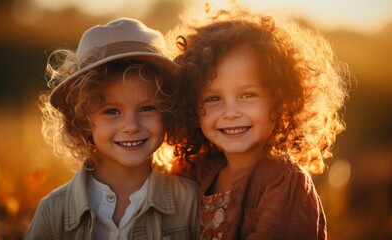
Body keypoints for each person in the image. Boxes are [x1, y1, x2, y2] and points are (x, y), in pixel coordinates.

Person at [168, 4, 350, 239]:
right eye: (213, 98)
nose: (230, 112)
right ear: (192, 107)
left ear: (281, 99)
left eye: (247, 95)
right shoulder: (196, 172)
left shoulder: (283, 181)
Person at [24, 18, 198, 240]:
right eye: (112, 111)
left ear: (168, 112)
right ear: (82, 119)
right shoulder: (53, 213)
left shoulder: (190, 202)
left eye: (146, 108)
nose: (131, 126)